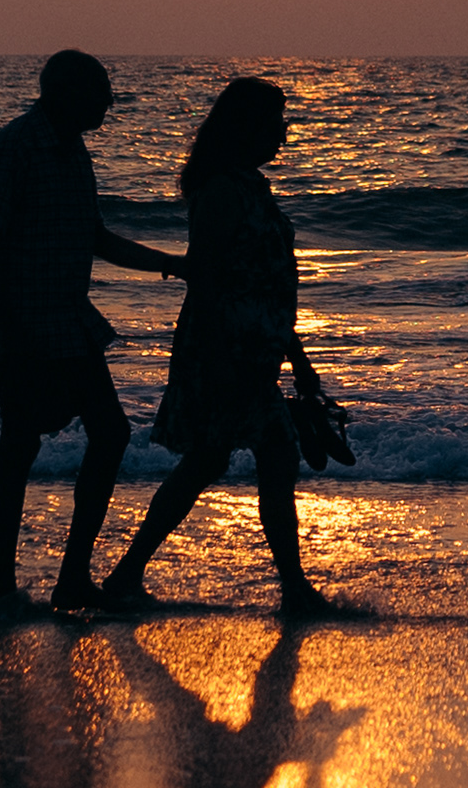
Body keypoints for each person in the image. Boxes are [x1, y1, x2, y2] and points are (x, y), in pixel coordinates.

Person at [98, 75, 337, 616]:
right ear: (246, 127)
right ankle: (294, 590)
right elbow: (204, 280)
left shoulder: (250, 186)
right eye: (275, 121)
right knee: (253, 457)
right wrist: (220, 362)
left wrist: (298, 358)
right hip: (225, 350)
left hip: (256, 350)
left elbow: (270, 283)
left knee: (220, 461)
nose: (284, 132)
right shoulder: (223, 192)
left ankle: (128, 575)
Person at [0, 47, 188, 615]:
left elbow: (97, 238)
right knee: (21, 444)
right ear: (65, 94)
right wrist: (13, 332)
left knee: (108, 434)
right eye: (100, 94)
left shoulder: (72, 151)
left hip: (67, 318)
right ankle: (1, 587)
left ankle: (70, 580)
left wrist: (171, 265)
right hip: (23, 323)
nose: (109, 104)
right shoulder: (13, 149)